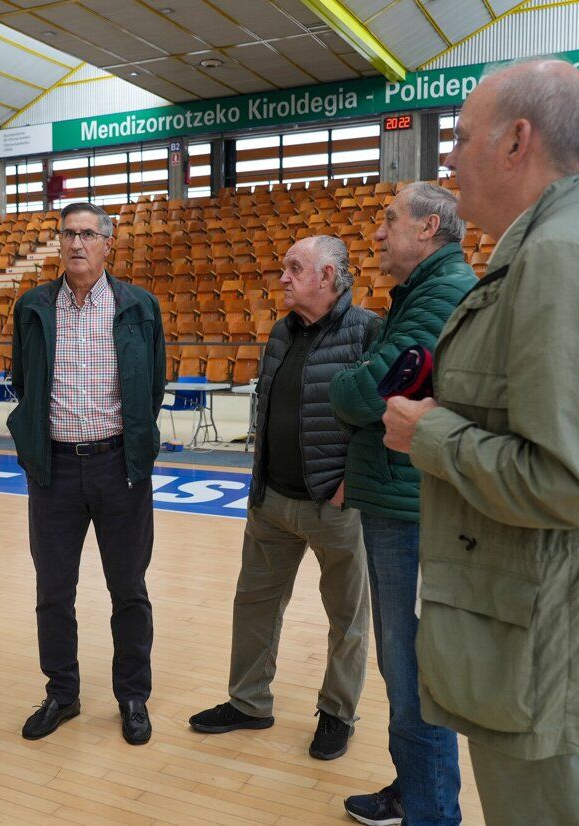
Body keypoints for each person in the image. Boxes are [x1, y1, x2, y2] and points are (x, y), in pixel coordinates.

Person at [382, 59, 579, 825]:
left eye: (459, 138)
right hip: (548, 624)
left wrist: (432, 436)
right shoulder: (559, 246)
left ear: (517, 140)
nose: (449, 160)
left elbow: (569, 480)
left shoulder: (559, 260)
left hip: (546, 639)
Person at [189, 235, 381, 762]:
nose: (284, 277)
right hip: (273, 499)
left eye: (295, 268)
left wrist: (352, 482)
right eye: (284, 268)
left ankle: (338, 713)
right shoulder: (281, 331)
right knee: (254, 603)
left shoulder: (367, 330)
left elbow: (383, 415)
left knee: (347, 617)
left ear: (328, 276)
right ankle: (249, 702)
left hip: (335, 504)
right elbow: (267, 408)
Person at [329, 182, 476, 826]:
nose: (378, 233)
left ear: (430, 229)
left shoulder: (439, 293)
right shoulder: (421, 292)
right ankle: (411, 790)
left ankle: (431, 812)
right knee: (400, 659)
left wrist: (347, 383)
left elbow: (367, 393)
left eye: (391, 221)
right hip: (398, 496)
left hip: (410, 506)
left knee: (410, 666)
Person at [8, 201, 166, 745]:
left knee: (129, 588)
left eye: (88, 234)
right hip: (53, 470)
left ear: (107, 244)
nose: (77, 243)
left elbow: (153, 387)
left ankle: (132, 696)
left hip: (119, 465)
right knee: (54, 589)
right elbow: (23, 382)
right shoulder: (32, 307)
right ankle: (62, 692)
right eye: (68, 234)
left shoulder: (140, 306)